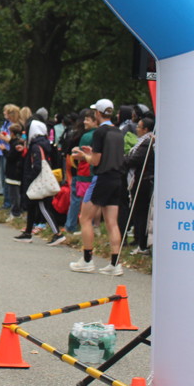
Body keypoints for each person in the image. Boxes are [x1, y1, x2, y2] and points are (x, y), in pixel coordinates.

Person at [70, 98, 127, 275]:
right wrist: (91, 153)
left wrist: (83, 156)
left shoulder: (100, 132)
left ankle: (87, 260)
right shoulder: (118, 131)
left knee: (85, 218)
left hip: (101, 178)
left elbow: (95, 161)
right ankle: (115, 263)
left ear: (97, 113)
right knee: (112, 222)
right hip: (117, 178)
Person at [14, 120, 64, 244]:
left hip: (37, 181)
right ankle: (28, 232)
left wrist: (30, 178)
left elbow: (37, 166)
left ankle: (57, 233)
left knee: (43, 207)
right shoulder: (43, 144)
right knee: (32, 206)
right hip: (39, 180)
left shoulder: (36, 146)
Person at [123, 116, 154, 255]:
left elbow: (134, 160)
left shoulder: (147, 143)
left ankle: (142, 244)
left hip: (143, 182)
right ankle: (140, 241)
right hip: (140, 180)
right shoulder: (144, 142)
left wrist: (123, 159)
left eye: (139, 126)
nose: (136, 129)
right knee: (138, 213)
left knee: (141, 213)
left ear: (145, 129)